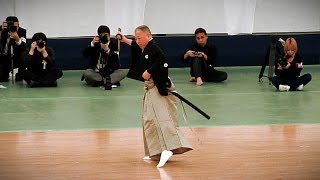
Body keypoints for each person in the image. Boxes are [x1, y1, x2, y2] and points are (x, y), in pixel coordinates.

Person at [118, 25, 192, 168]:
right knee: (149, 119)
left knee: (162, 118)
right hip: (151, 87)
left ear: (147, 36)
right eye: (136, 38)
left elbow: (162, 60)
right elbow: (136, 45)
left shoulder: (154, 48)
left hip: (159, 85)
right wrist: (126, 40)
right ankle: (156, 151)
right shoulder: (146, 46)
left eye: (139, 38)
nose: (137, 41)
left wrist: (149, 71)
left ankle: (167, 149)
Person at [82, 25, 127, 89]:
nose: (105, 37)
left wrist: (107, 50)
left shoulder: (114, 45)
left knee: (122, 72)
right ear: (98, 36)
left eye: (106, 35)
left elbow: (116, 59)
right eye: (102, 35)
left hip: (110, 73)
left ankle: (101, 82)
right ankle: (108, 82)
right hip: (96, 72)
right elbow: (85, 55)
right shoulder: (95, 44)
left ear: (109, 35)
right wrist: (92, 44)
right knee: (87, 73)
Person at [0, 16, 26, 82]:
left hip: (17, 57)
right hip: (4, 57)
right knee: (2, 78)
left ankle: (20, 74)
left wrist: (17, 39)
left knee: (24, 54)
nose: (15, 28)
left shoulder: (22, 31)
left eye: (16, 26)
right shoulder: (2, 29)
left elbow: (23, 46)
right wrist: (1, 31)